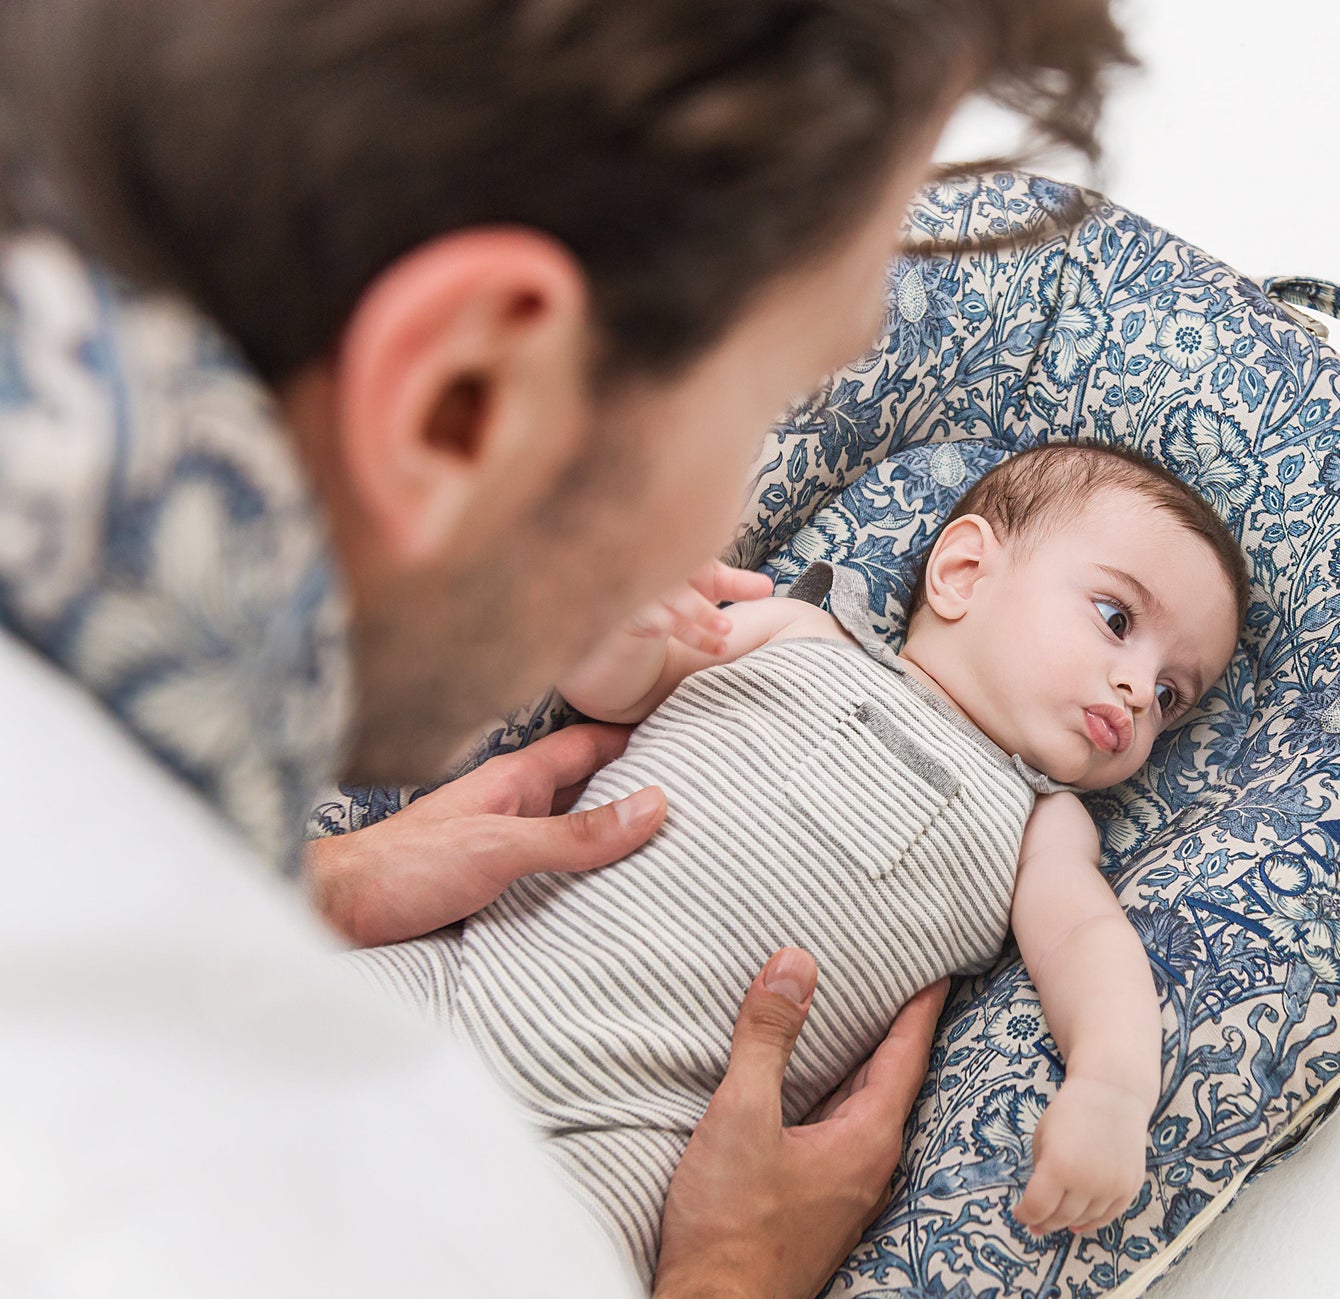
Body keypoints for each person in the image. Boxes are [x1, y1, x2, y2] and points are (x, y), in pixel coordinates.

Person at [0, 2, 1134, 1295]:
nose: (735, 518)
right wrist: (723, 1278)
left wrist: (305, 885)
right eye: (770, 398)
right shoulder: (366, 1223)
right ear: (460, 401)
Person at [346, 444, 1248, 1287]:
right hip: (467, 976)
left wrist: (1113, 1088)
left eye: (1172, 693)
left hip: (638, 1138)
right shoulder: (802, 633)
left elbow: (1090, 940)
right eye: (1116, 619)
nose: (1139, 690)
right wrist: (625, 621)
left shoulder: (1041, 826)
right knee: (250, 1030)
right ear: (965, 572)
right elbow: (618, 691)